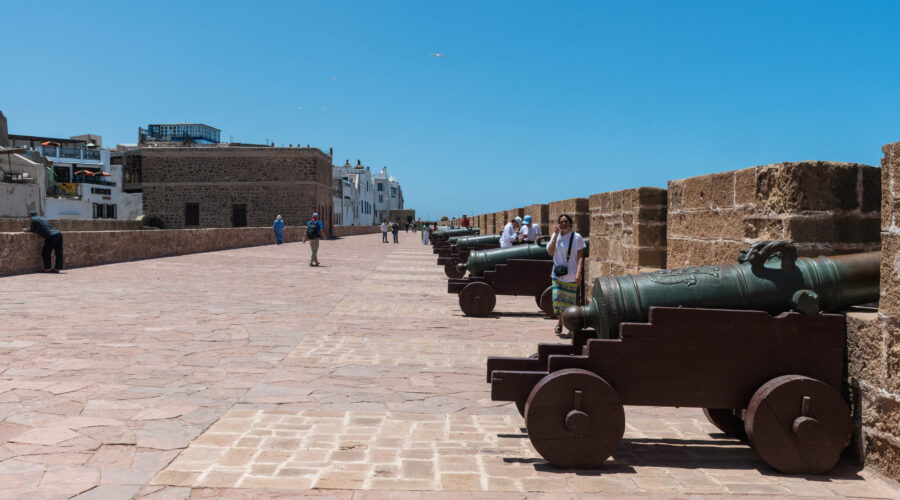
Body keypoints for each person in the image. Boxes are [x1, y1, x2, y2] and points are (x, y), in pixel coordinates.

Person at [547, 213, 585, 335]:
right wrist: (555, 235)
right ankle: (560, 323)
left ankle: (571, 326)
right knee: (557, 300)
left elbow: (580, 257)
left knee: (570, 303)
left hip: (571, 275)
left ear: (570, 223)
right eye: (561, 222)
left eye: (566, 221)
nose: (563, 224)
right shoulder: (555, 235)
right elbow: (550, 251)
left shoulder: (577, 237)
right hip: (557, 275)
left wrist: (579, 273)